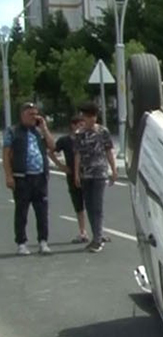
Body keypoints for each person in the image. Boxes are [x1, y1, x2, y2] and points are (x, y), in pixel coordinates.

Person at [3, 101, 58, 255]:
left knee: (42, 211)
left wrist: (44, 128)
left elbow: (53, 147)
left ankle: (43, 241)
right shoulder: (12, 131)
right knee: (21, 211)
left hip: (40, 177)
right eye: (30, 114)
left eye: (35, 114)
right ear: (22, 115)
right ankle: (21, 242)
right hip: (22, 177)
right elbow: (6, 155)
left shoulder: (39, 131)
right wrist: (8, 176)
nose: (34, 117)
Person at [73, 100, 117, 253]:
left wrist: (114, 169)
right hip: (86, 174)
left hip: (99, 173)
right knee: (90, 206)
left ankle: (98, 239)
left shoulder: (103, 132)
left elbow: (109, 151)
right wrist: (76, 173)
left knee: (97, 206)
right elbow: (77, 154)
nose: (89, 119)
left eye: (92, 116)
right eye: (86, 116)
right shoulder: (79, 134)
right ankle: (95, 236)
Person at [54, 113, 89, 243]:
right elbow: (52, 151)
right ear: (73, 126)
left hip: (88, 174)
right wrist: (61, 166)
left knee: (92, 204)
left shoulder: (87, 138)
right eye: (79, 125)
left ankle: (97, 231)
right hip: (73, 175)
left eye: (83, 124)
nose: (82, 127)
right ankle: (82, 231)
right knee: (78, 204)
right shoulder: (65, 140)